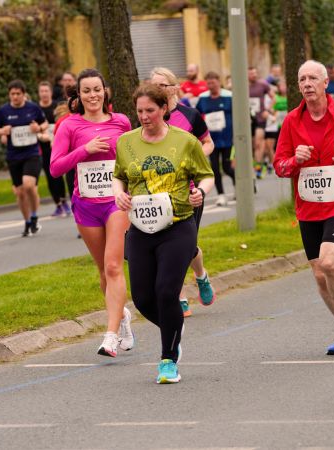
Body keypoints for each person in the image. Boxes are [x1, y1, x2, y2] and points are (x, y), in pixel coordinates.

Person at [112, 83, 215, 384]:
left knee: (167, 291)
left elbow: (206, 176)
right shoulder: (126, 142)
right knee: (143, 298)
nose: (144, 116)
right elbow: (119, 177)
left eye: (150, 111)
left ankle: (168, 359)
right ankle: (173, 330)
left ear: (164, 110)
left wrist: (201, 194)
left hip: (178, 225)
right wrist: (119, 194)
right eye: (140, 111)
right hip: (141, 227)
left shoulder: (184, 141)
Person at [275, 60, 334, 357]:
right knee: (318, 274)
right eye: (302, 79)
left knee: (328, 262)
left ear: (326, 83)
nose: (307, 83)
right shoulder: (291, 121)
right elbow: (279, 165)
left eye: (313, 77)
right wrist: (295, 161)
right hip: (308, 207)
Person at [50, 68, 134, 357]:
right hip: (86, 205)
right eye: (86, 91)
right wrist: (84, 150)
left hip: (116, 202)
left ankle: (109, 336)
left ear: (105, 91)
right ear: (79, 95)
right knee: (102, 271)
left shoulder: (121, 122)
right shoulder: (69, 126)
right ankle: (122, 316)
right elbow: (55, 167)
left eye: (97, 89)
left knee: (113, 266)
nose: (93, 95)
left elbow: (133, 156)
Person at [150, 67, 217, 317]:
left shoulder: (190, 115)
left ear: (174, 87)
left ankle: (201, 276)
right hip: (159, 191)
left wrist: (194, 158)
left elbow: (208, 142)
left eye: (162, 85)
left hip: (190, 191)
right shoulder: (151, 117)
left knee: (187, 246)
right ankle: (179, 297)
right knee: (168, 246)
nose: (157, 90)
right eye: (153, 85)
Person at [0, 79, 49, 237]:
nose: (15, 97)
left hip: (32, 153)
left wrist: (38, 128)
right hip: (13, 155)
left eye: (18, 94)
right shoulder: (4, 111)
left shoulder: (33, 108)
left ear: (24, 94)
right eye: (12, 94)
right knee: (20, 192)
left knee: (29, 185)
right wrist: (2, 130)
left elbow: (45, 124)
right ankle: (27, 221)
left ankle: (35, 215)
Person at [196, 71, 236, 206]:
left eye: (213, 82)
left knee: (227, 168)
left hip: (228, 138)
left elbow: (238, 115)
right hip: (211, 141)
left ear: (219, 81)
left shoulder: (228, 96)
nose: (210, 85)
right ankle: (221, 195)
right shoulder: (203, 98)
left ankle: (240, 187)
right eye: (208, 83)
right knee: (214, 169)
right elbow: (196, 116)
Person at [36, 81, 72, 217]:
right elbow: (33, 128)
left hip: (59, 144)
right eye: (42, 91)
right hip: (44, 147)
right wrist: (40, 134)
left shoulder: (57, 107)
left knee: (61, 175)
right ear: (39, 93)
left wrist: (53, 137)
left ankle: (64, 201)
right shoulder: (37, 109)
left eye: (46, 91)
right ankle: (57, 203)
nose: (44, 93)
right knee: (50, 176)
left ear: (50, 92)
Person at [248, 67, 271, 178]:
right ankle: (261, 163)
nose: (253, 75)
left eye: (255, 73)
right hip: (248, 119)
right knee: (252, 145)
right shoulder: (243, 85)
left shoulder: (262, 84)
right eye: (251, 74)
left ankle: (258, 169)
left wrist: (268, 110)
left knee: (258, 143)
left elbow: (274, 97)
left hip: (260, 118)